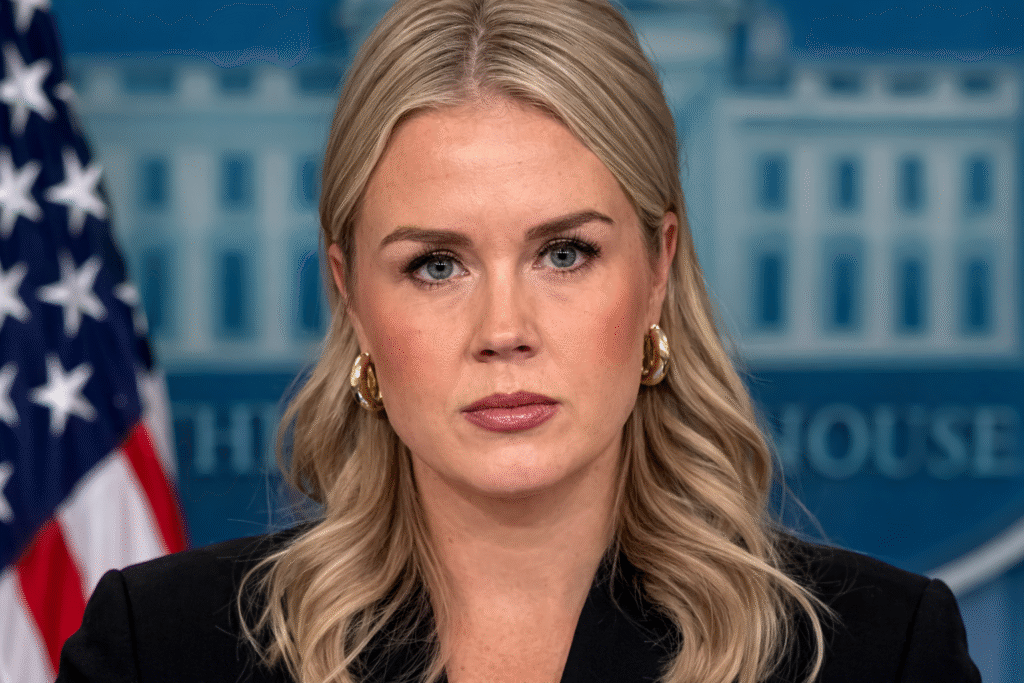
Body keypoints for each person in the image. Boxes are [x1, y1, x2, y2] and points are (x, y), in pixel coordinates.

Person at [58, 1, 981, 681]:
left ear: (657, 269)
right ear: (350, 295)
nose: (504, 331)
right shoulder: (162, 648)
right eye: (435, 265)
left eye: (565, 253)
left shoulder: (879, 650)